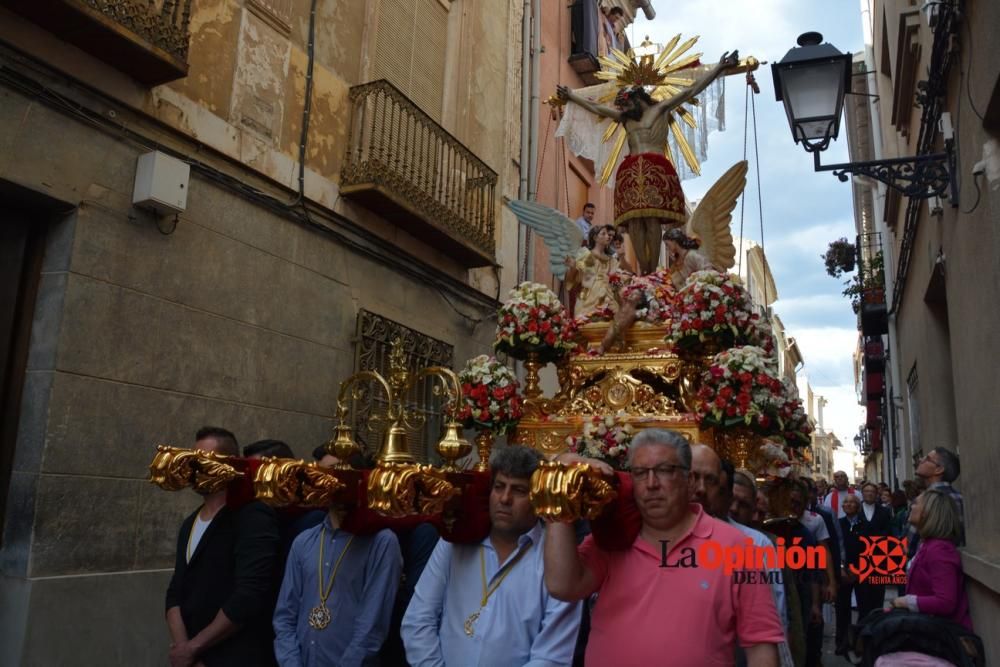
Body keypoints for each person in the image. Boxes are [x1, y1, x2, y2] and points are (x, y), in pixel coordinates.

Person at [543, 429, 783, 666]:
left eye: (664, 471)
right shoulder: (614, 537)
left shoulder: (736, 547)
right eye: (640, 473)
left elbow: (761, 642)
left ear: (688, 480)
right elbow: (563, 586)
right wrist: (561, 495)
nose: (651, 484)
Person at [557, 53, 739, 274]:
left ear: (637, 98)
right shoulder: (625, 119)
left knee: (651, 220)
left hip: (655, 168)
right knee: (634, 222)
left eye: (625, 105)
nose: (623, 110)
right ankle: (645, 271)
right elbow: (596, 109)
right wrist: (572, 97)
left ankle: (651, 271)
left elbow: (690, 90)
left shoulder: (660, 109)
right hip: (632, 171)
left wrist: (719, 67)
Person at [402, 446, 581, 666]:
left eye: (519, 490)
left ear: (538, 499)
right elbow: (418, 620)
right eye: (499, 487)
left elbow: (551, 657)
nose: (505, 498)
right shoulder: (454, 541)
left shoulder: (555, 559)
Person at [272, 450, 402, 666]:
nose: (330, 483)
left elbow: (371, 626)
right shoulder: (304, 541)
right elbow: (285, 616)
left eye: (339, 475)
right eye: (323, 475)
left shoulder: (381, 542)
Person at [165, 427, 280, 667]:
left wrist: (195, 647)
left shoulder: (252, 516)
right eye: (192, 460)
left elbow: (248, 594)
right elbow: (176, 591)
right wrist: (184, 650)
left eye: (203, 461)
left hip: (234, 656)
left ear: (228, 465)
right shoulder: (190, 523)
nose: (194, 469)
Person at [877, 489, 972, 666]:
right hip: (928, 635)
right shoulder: (928, 544)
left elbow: (946, 602)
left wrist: (904, 602)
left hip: (940, 642)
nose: (911, 505)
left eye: (917, 503)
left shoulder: (939, 550)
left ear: (929, 512)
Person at [835, 495, 884, 655]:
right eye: (845, 502)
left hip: (862, 572)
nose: (847, 505)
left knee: (865, 607)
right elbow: (835, 548)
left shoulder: (866, 525)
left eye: (851, 502)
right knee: (842, 608)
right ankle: (842, 641)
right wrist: (842, 568)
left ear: (858, 506)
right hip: (844, 572)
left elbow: (872, 549)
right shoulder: (838, 524)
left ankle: (861, 642)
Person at [564, 224, 624, 319]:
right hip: (589, 295)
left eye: (608, 234)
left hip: (606, 295)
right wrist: (573, 267)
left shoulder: (611, 260)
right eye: (603, 234)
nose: (608, 236)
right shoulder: (586, 255)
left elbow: (616, 278)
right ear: (595, 237)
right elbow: (575, 278)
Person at [910, 447, 964, 551]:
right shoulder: (961, 499)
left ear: (939, 469)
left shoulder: (922, 501)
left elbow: (909, 544)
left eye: (927, 459)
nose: (921, 460)